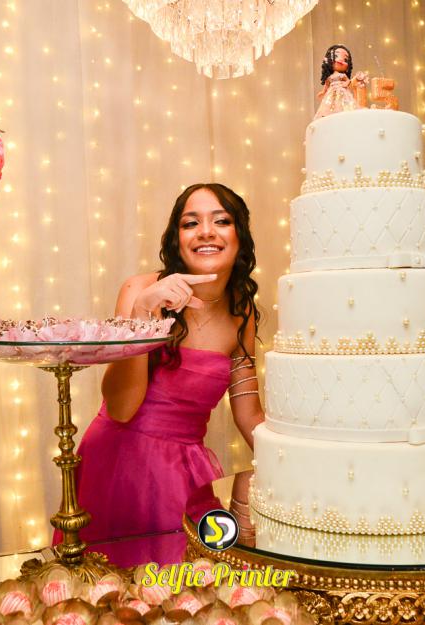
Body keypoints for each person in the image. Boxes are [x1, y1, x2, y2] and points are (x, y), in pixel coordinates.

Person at [53, 183, 264, 562]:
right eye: (190, 223)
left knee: (196, 589)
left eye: (221, 221)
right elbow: (121, 408)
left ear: (240, 235)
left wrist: (295, 462)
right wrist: (142, 316)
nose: (205, 232)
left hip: (185, 473)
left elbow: (249, 415)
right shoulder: (138, 289)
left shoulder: (242, 310)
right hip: (118, 466)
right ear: (176, 238)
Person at [315, 44, 366, 118]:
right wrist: (323, 92)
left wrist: (346, 84)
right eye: (336, 56)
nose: (341, 60)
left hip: (342, 91)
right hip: (331, 93)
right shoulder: (329, 77)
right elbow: (327, 85)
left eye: (345, 60)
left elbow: (348, 81)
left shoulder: (342, 75)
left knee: (343, 103)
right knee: (329, 104)